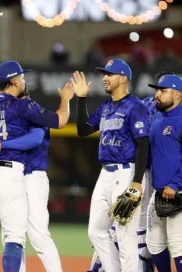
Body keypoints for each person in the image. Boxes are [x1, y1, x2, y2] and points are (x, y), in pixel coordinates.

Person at [0, 61, 73, 271]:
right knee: (13, 237)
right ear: (13, 82)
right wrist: (66, 100)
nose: (24, 81)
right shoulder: (24, 107)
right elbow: (60, 120)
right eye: (21, 78)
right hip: (10, 174)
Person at [74, 59, 150, 271]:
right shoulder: (106, 106)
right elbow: (83, 130)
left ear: (123, 77)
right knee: (96, 232)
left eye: (110, 74)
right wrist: (81, 98)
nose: (105, 78)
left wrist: (136, 182)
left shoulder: (136, 107)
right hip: (105, 174)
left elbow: (143, 143)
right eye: (104, 74)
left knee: (126, 238)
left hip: (126, 173)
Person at [146, 73, 182, 272]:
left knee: (178, 246)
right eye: (156, 89)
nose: (157, 94)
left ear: (177, 94)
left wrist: (176, 184)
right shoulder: (158, 115)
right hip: (159, 191)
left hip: (178, 191)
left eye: (163, 90)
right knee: (154, 244)